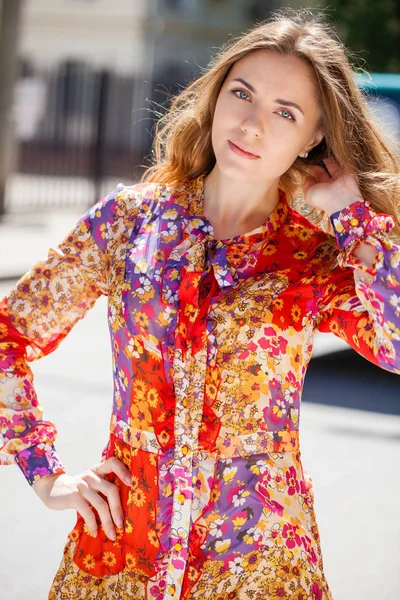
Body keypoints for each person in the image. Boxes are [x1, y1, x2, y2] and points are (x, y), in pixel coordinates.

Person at [1, 8, 400, 600]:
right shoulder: (127, 224)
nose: (253, 125)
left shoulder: (316, 256)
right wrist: (47, 475)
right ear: (217, 97)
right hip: (122, 551)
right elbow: (10, 334)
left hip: (260, 562)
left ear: (313, 137)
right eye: (243, 94)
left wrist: (354, 220)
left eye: (285, 112)